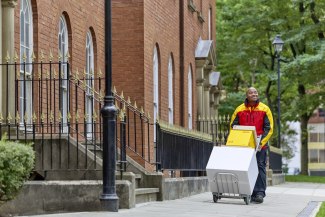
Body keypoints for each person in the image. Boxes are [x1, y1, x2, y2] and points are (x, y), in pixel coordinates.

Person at [229, 87, 273, 204]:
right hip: (244, 145)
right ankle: (248, 191)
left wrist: (261, 143)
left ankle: (259, 193)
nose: (254, 94)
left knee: (259, 167)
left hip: (260, 145)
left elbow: (269, 129)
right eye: (251, 92)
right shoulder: (239, 110)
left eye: (255, 92)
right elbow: (233, 127)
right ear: (247, 95)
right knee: (245, 168)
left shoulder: (265, 109)